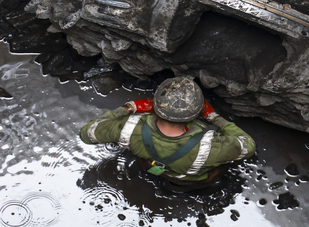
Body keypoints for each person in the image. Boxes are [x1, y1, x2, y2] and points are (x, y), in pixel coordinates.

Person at [79, 76, 255, 192]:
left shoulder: (128, 129)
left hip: (151, 167)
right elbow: (248, 145)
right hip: (191, 178)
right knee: (214, 172)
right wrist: (214, 117)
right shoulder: (210, 146)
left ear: (156, 105)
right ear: (196, 112)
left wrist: (128, 107)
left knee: (152, 162)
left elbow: (87, 134)